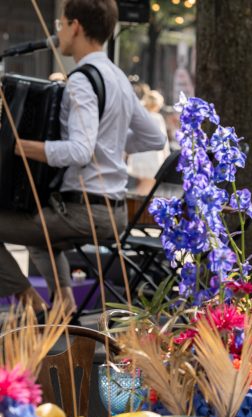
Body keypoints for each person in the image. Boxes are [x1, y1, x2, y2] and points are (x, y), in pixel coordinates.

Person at [8, 0, 166, 310]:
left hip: (85, 214)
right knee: (35, 226)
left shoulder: (81, 80)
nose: (60, 32)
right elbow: (155, 137)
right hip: (115, 212)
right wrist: (111, 145)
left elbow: (80, 151)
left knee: (28, 220)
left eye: (62, 25)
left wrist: (17, 146)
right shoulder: (118, 76)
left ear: (75, 26)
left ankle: (32, 303)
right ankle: (63, 301)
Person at [126, 87, 170, 182]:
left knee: (139, 184)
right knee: (149, 186)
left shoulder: (140, 117)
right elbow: (163, 140)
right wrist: (167, 157)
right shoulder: (157, 118)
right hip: (153, 157)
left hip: (138, 155)